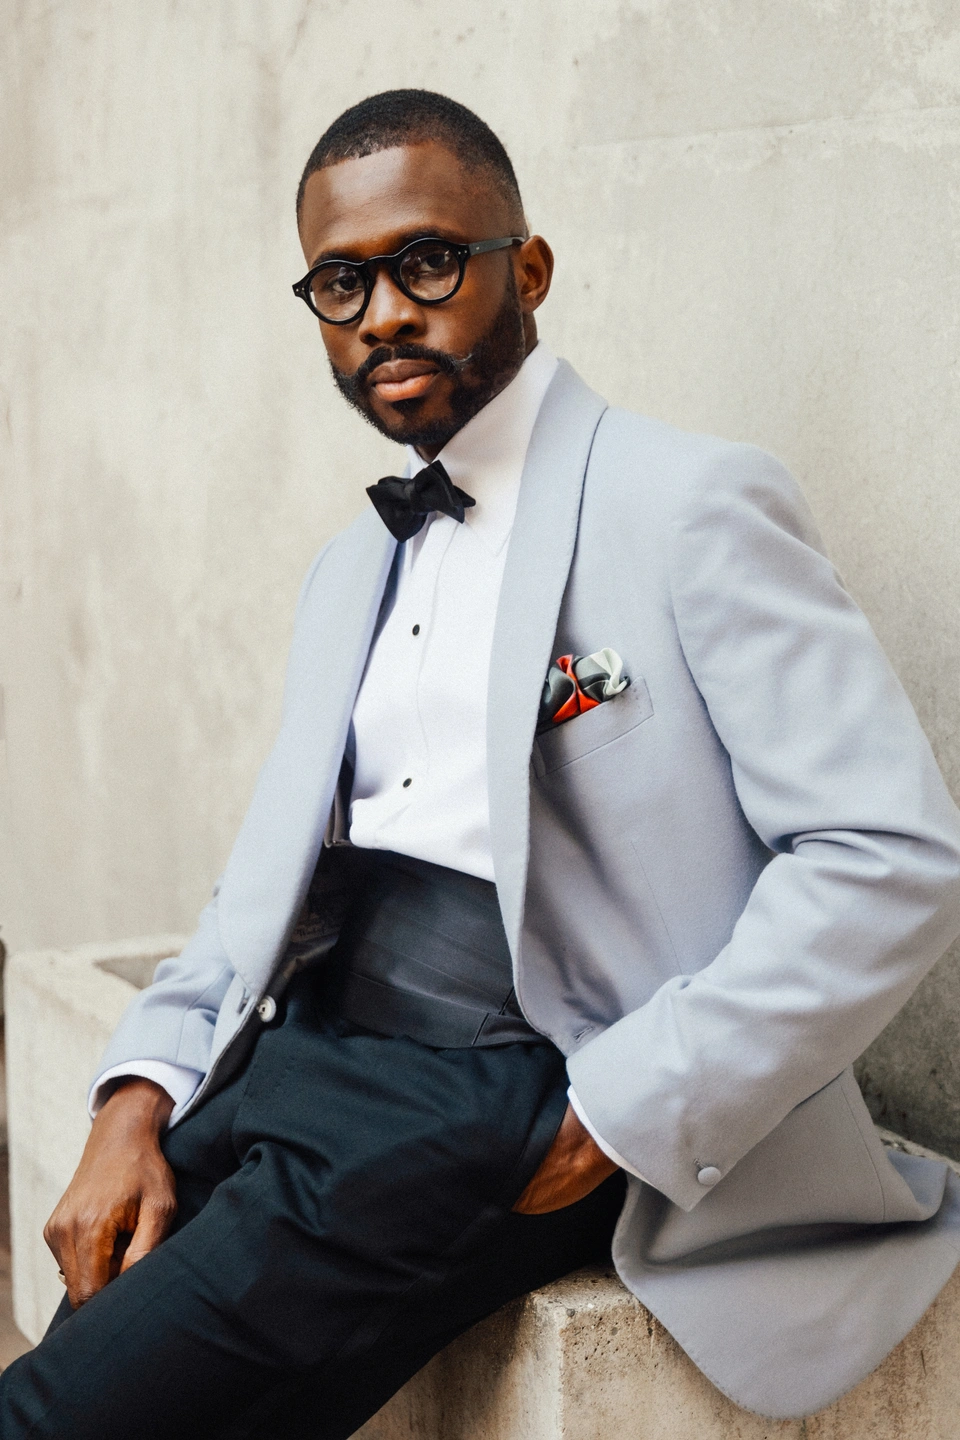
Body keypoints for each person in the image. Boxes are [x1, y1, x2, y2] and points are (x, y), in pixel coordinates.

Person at [3, 88, 960, 1437]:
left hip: (500, 1086)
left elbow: (891, 856)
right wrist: (135, 1094)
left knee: (55, 1419)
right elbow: (265, 880)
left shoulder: (687, 502)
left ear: (532, 271)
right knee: (95, 1315)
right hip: (308, 1044)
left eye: (427, 261)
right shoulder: (350, 567)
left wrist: (614, 1116)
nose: (384, 312)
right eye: (342, 283)